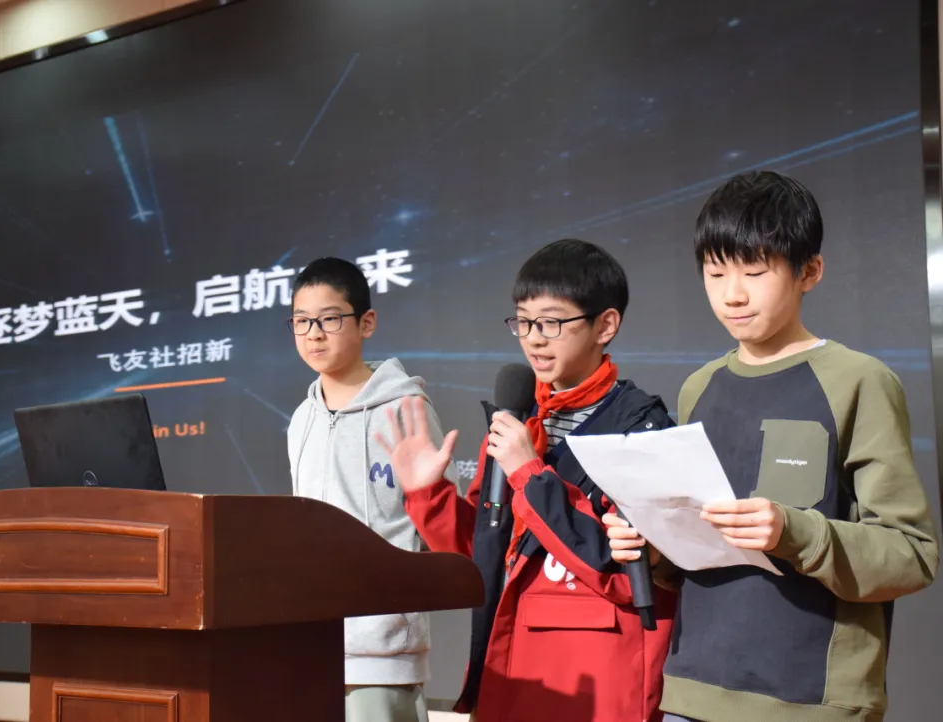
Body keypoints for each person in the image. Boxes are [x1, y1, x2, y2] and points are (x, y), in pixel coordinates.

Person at [605, 170, 940, 722]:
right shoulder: (699, 388)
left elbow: (911, 555)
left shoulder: (858, 381)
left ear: (810, 272)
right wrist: (651, 544)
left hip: (810, 700)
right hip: (692, 690)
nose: (732, 294)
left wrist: (793, 531)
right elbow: (700, 552)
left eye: (755, 272)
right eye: (715, 273)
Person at [377, 239, 678, 722]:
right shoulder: (518, 423)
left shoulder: (642, 427)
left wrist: (530, 473)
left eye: (552, 322)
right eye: (524, 322)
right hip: (513, 669)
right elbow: (487, 556)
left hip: (597, 676)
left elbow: (626, 573)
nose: (534, 339)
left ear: (605, 325)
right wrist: (428, 496)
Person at [286, 256, 456, 722]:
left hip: (383, 650)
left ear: (366, 323)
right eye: (301, 321)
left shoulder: (405, 409)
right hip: (310, 641)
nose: (314, 334)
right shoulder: (301, 419)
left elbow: (441, 528)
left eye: (329, 319)